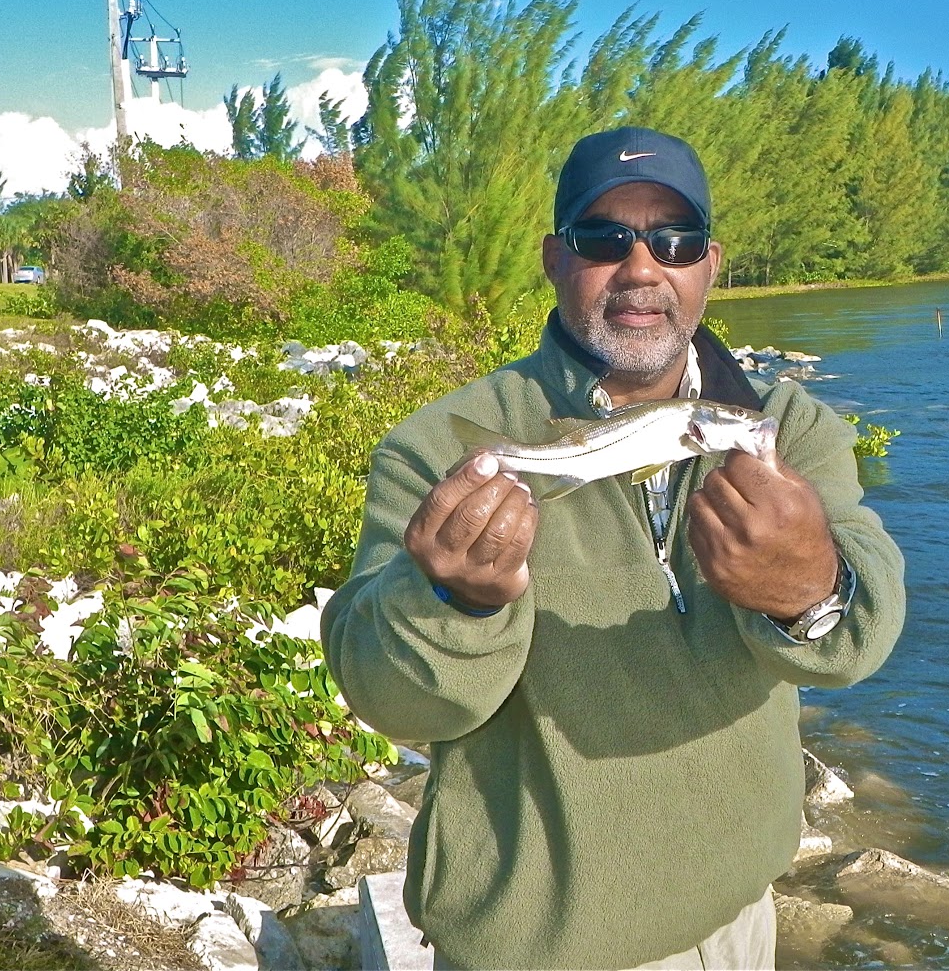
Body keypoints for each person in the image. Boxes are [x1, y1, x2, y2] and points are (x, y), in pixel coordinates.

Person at [322, 126, 906, 970]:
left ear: (710, 265)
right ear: (556, 259)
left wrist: (812, 589)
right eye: (605, 239)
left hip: (743, 914)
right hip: (544, 944)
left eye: (676, 241)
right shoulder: (435, 450)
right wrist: (452, 603)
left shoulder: (785, 428)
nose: (642, 268)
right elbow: (397, 707)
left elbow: (859, 644)